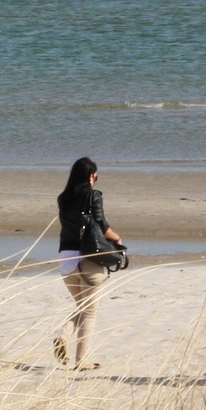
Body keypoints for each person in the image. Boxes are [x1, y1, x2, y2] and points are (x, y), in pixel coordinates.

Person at [55, 156, 122, 370]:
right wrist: (117, 239)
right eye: (96, 176)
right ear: (91, 176)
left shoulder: (63, 198)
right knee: (90, 312)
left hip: (66, 259)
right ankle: (81, 361)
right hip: (89, 259)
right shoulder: (94, 195)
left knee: (82, 307)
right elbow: (101, 224)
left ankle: (63, 337)